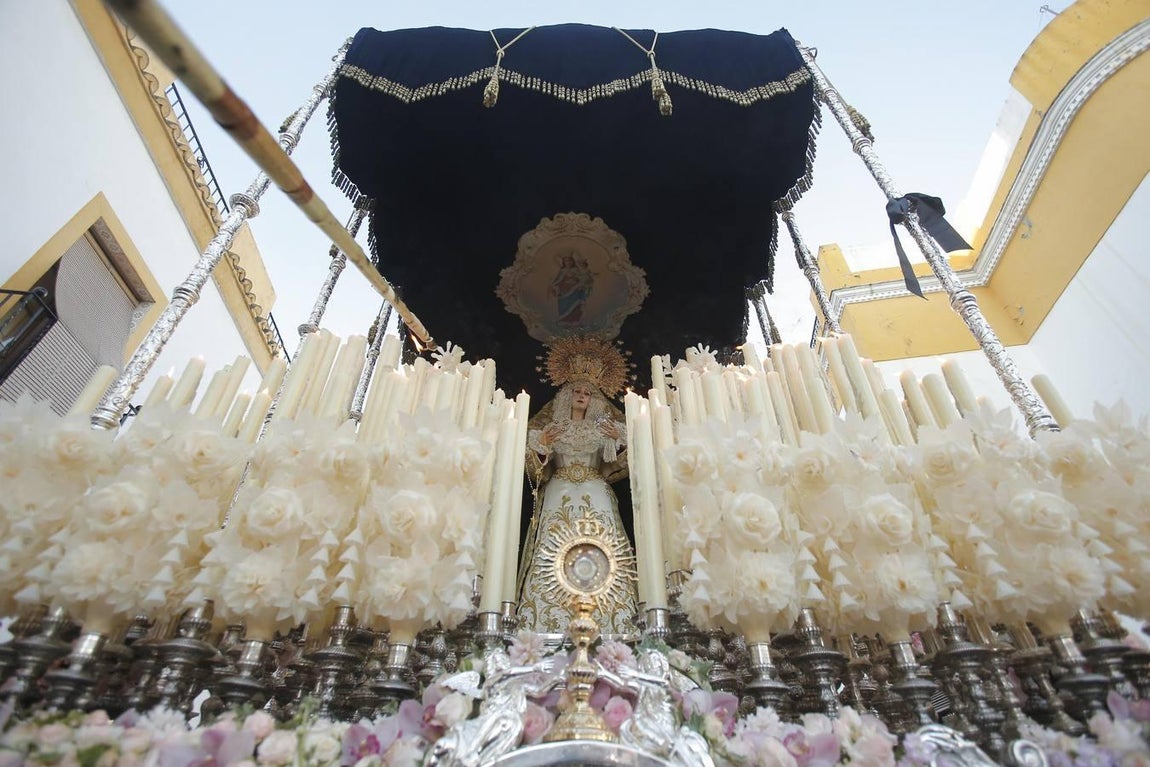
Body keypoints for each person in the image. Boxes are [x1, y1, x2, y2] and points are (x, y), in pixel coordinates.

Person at [516, 338, 638, 635]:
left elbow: (623, 463)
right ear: (566, 396)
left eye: (587, 392)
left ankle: (611, 621)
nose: (581, 395)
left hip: (596, 492)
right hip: (557, 491)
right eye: (576, 391)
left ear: (594, 397)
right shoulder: (551, 429)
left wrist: (618, 440)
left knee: (601, 544)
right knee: (551, 546)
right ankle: (545, 621)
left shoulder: (605, 427)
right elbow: (533, 467)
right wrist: (542, 445)